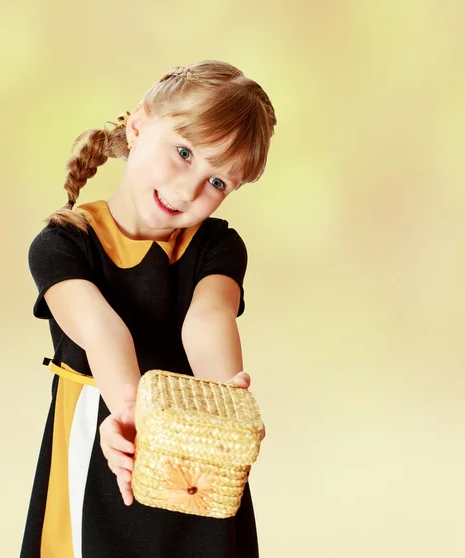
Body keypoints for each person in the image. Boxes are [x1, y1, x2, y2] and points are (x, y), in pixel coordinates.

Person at [20, 60, 277, 558]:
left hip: (196, 460)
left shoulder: (217, 248)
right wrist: (133, 414)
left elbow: (209, 318)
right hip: (106, 444)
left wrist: (227, 404)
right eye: (183, 152)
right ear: (138, 125)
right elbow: (103, 331)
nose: (188, 191)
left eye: (218, 183)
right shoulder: (62, 244)